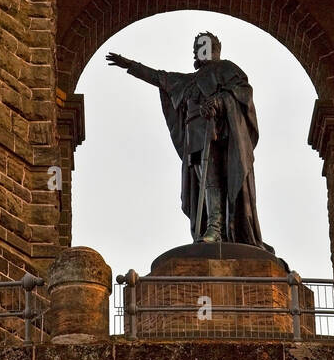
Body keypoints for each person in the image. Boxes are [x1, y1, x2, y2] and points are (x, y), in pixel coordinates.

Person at [107, 31, 271, 249]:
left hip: (217, 135)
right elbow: (158, 77)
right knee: (205, 182)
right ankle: (212, 226)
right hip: (194, 138)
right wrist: (130, 65)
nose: (198, 50)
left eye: (203, 45)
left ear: (215, 48)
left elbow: (241, 92)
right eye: (196, 46)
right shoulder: (187, 81)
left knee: (214, 180)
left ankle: (216, 228)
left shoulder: (227, 69)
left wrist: (220, 102)